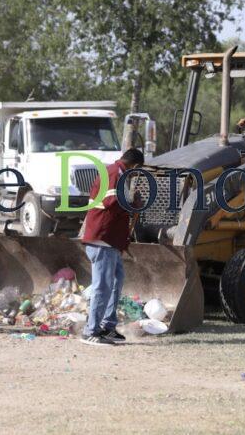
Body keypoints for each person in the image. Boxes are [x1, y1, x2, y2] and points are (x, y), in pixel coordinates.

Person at [80, 148, 144, 346]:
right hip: (102, 240)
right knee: (102, 286)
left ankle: (108, 326)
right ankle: (91, 330)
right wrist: (133, 204)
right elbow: (111, 202)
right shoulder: (115, 174)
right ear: (135, 165)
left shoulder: (116, 173)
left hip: (111, 241)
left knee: (116, 280)